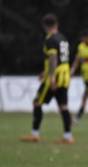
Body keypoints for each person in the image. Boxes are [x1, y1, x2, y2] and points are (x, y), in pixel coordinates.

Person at [20, 14, 74, 144]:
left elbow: (53, 59)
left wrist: (50, 77)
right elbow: (62, 59)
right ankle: (68, 136)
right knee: (63, 106)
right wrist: (44, 72)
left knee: (37, 102)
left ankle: (34, 134)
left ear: (45, 26)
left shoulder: (50, 39)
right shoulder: (63, 38)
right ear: (57, 24)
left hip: (54, 76)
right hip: (64, 76)